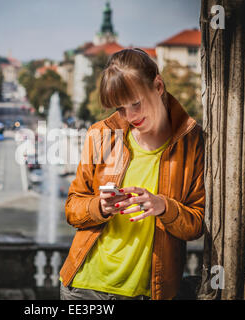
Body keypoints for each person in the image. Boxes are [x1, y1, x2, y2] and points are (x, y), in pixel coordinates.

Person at [59, 48, 205, 300]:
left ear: (158, 85)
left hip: (146, 293)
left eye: (136, 103)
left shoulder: (192, 141)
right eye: (120, 108)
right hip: (83, 289)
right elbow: (73, 208)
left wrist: (163, 206)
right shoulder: (101, 134)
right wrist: (99, 207)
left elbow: (197, 224)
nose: (130, 116)